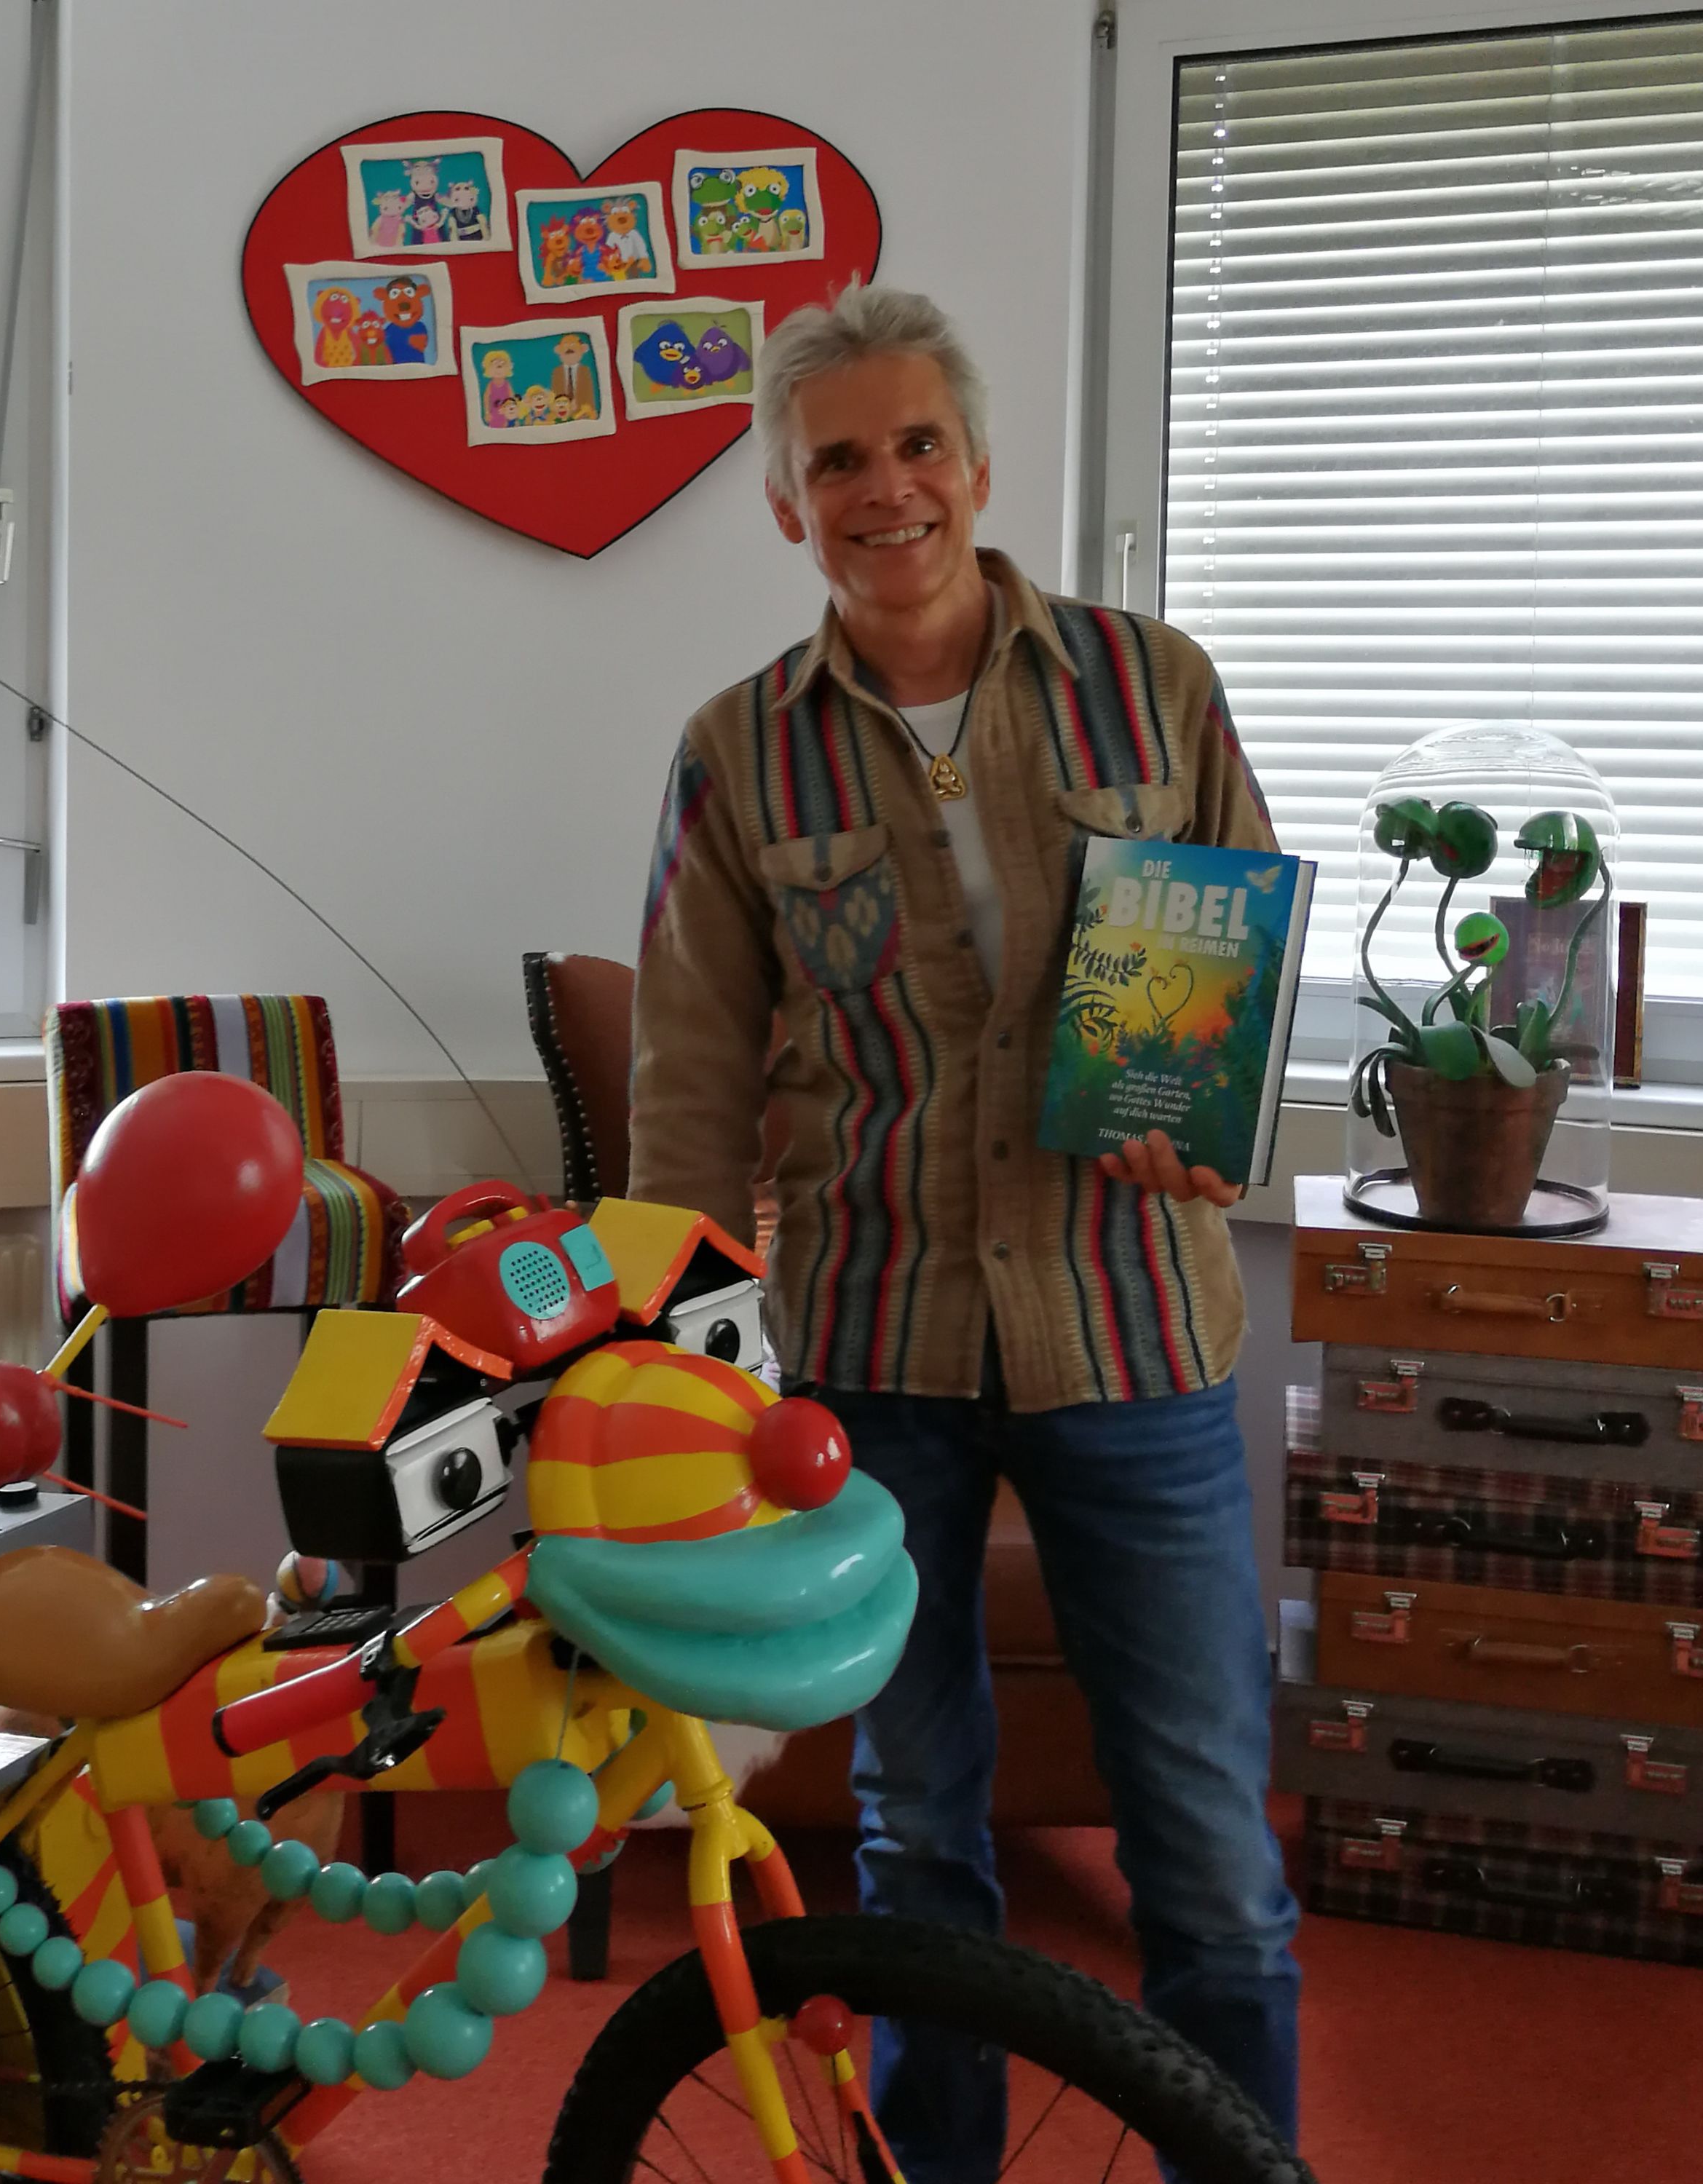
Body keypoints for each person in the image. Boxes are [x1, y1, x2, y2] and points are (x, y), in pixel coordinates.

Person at [627, 282, 1300, 2182]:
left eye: (918, 443)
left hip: (1134, 1335)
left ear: (980, 467)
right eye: (838, 459)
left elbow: (1237, 958)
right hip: (869, 1363)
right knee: (918, 1839)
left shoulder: (1151, 687)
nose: (887, 487)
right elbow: (690, 1079)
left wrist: (1216, 1132)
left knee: (1210, 1853)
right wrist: (684, 1363)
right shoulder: (739, 752)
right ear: (788, 504)